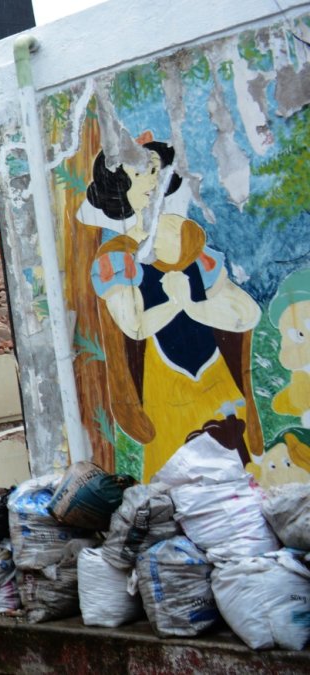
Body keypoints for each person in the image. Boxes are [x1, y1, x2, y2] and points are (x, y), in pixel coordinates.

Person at [84, 138, 262, 480]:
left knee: (239, 471)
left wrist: (194, 307)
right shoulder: (117, 256)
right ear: (119, 187)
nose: (152, 181)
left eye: (154, 171)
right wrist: (175, 304)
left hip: (217, 380)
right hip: (164, 386)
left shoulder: (189, 239)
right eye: (139, 174)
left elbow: (246, 312)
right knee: (175, 473)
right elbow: (133, 326)